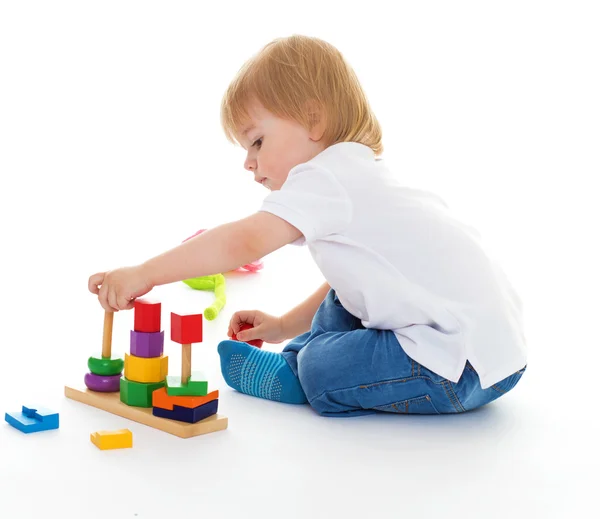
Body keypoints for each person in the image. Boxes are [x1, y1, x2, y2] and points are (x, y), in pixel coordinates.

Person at [88, 35, 527, 417]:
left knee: (321, 369)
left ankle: (301, 374)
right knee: (343, 293)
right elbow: (351, 285)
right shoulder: (361, 173)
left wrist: (144, 273)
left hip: (455, 369)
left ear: (314, 121)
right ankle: (293, 357)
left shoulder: (323, 176)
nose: (249, 162)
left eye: (258, 140)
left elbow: (243, 241)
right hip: (494, 354)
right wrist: (282, 326)